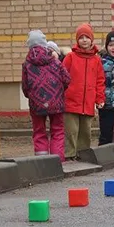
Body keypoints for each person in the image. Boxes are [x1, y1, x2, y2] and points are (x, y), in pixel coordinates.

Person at [22, 30, 70, 160]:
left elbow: (25, 86)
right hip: (56, 102)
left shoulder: (27, 64)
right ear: (44, 44)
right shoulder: (55, 61)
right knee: (57, 130)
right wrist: (60, 91)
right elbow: (67, 79)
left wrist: (31, 96)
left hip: (36, 103)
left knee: (39, 131)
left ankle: (41, 161)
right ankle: (57, 160)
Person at [63, 24, 105, 160]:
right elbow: (62, 77)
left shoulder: (96, 60)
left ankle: (83, 155)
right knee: (71, 131)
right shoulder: (70, 57)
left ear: (91, 40)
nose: (84, 40)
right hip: (71, 101)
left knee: (85, 132)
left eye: (87, 37)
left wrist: (99, 99)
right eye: (81, 37)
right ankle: (69, 155)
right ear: (77, 40)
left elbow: (100, 81)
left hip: (88, 102)